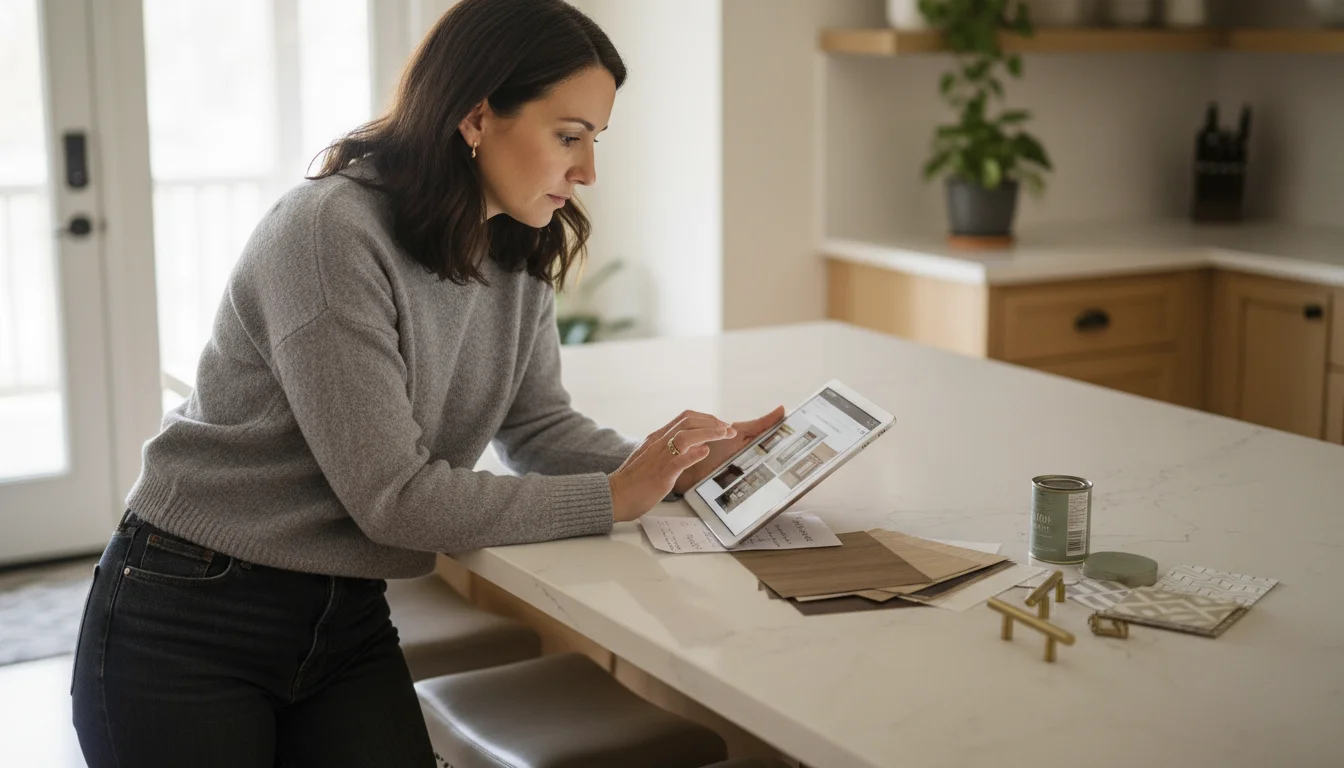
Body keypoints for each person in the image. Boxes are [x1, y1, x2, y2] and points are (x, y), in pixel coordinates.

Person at [69, 0, 782, 765]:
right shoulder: (329, 231)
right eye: (569, 136)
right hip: (192, 612)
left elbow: (539, 429)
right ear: (476, 118)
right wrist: (615, 497)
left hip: (344, 616)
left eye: (595, 140)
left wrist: (672, 468)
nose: (588, 171)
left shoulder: (515, 246)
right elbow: (394, 499)